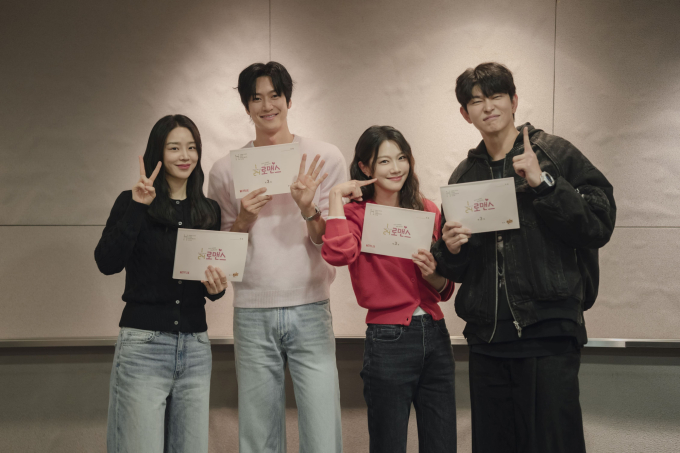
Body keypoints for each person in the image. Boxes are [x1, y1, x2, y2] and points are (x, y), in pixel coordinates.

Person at [432, 62, 616, 453]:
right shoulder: (464, 176)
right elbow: (457, 269)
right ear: (465, 113)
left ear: (514, 101)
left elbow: (598, 225)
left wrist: (544, 183)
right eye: (476, 101)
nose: (488, 107)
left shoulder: (555, 154)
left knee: (554, 443)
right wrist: (450, 248)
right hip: (487, 337)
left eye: (496, 96)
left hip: (549, 330)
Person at [208, 61, 346, 453]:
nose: (267, 106)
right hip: (252, 311)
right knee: (259, 435)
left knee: (322, 433)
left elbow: (330, 242)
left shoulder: (323, 157)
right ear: (246, 106)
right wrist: (243, 220)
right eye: (257, 98)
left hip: (311, 306)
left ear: (288, 100)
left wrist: (308, 208)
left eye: (275, 96)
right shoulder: (224, 170)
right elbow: (220, 253)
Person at [95, 114, 226, 453]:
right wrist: (138, 208)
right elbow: (107, 262)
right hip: (144, 346)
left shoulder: (209, 210)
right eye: (174, 148)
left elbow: (209, 282)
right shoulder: (132, 201)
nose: (185, 156)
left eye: (192, 147)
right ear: (158, 153)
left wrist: (217, 288)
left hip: (195, 348)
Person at [322, 126, 457, 453]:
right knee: (389, 444)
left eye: (401, 158)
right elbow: (338, 255)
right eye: (384, 161)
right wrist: (335, 197)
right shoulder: (354, 214)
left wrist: (433, 275)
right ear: (365, 167)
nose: (396, 168)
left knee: (442, 444)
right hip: (388, 338)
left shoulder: (427, 209)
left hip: (436, 333)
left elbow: (444, 289)